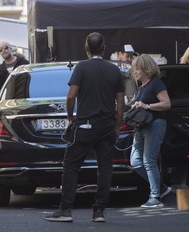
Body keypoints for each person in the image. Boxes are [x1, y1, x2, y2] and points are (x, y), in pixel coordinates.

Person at [44, 32, 125, 223]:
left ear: (86, 48)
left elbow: (71, 96)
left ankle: (65, 210)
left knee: (71, 166)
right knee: (105, 168)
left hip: (85, 125)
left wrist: (71, 118)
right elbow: (121, 102)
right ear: (104, 47)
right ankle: (99, 211)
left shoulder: (82, 67)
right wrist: (117, 127)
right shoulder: (114, 70)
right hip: (106, 125)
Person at [130, 54, 171, 208]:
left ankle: (155, 197)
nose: (135, 71)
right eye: (134, 69)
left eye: (137, 68)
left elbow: (166, 104)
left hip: (154, 124)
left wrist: (147, 106)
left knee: (149, 160)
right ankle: (161, 188)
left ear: (147, 68)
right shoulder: (141, 87)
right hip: (141, 126)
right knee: (135, 161)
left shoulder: (156, 84)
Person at [170, 47, 189, 190]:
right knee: (183, 149)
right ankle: (178, 182)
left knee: (182, 148)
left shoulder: (178, 71)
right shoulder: (180, 72)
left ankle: (177, 182)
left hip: (178, 114)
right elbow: (174, 90)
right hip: (179, 114)